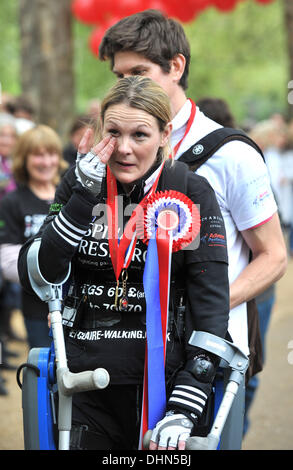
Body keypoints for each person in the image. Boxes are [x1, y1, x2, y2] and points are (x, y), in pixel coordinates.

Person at [18, 76, 230, 450]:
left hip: (165, 386)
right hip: (84, 379)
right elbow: (40, 272)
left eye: (140, 135)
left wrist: (187, 401)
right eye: (114, 132)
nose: (124, 149)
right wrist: (81, 197)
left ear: (165, 134)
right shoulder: (78, 181)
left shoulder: (190, 190)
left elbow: (211, 303)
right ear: (101, 129)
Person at [99, 8, 287, 369]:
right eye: (119, 76)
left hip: (206, 352)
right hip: (123, 353)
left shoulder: (232, 153)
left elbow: (273, 255)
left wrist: (206, 306)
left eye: (139, 72)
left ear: (176, 67)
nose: (128, 86)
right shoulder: (110, 149)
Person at [0, 125, 68, 349]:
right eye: (38, 155)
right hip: (37, 309)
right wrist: (46, 269)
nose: (46, 162)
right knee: (42, 373)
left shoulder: (70, 197)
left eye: (51, 154)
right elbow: (8, 260)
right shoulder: (12, 202)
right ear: (24, 158)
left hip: (79, 306)